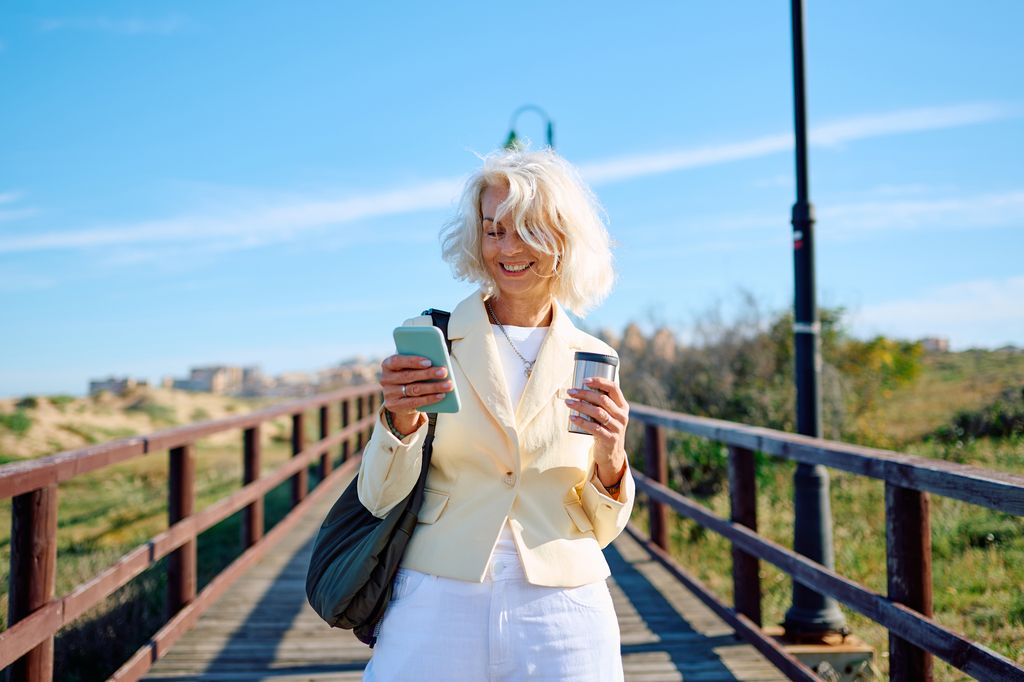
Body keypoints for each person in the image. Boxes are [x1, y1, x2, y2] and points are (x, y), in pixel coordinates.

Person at [358, 148, 635, 681]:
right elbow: (380, 496)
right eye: (494, 230)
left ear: (564, 239)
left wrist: (613, 455)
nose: (508, 249)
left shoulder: (593, 357)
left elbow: (602, 527)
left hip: (565, 608)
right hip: (438, 594)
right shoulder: (434, 338)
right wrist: (400, 421)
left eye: (528, 230)